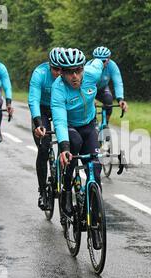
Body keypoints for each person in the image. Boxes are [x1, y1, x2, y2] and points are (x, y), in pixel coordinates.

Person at [50, 48, 104, 228]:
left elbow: (99, 61)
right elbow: (58, 120)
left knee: (95, 170)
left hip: (89, 125)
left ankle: (94, 216)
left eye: (78, 70)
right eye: (69, 72)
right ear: (62, 72)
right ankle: (66, 189)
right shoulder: (58, 88)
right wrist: (64, 148)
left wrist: (101, 58)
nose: (74, 76)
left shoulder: (93, 74)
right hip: (70, 127)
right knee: (74, 145)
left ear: (83, 68)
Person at [28, 47, 63, 210]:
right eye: (55, 69)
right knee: (43, 148)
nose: (58, 72)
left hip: (60, 107)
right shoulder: (40, 74)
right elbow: (33, 99)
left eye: (61, 69)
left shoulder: (69, 75)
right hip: (42, 109)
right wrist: (38, 123)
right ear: (49, 66)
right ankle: (42, 191)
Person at [86, 46, 128, 123]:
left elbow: (118, 82)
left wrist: (120, 99)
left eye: (104, 60)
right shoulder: (88, 66)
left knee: (109, 101)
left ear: (109, 59)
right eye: (98, 60)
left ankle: (106, 124)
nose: (101, 63)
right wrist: (90, 98)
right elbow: (84, 85)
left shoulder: (112, 65)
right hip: (90, 89)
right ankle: (92, 123)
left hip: (103, 88)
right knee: (90, 107)